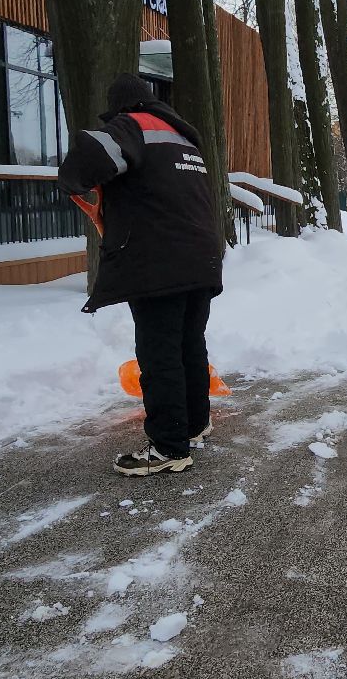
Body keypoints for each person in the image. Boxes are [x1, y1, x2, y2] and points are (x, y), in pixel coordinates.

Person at [60, 74, 224, 476]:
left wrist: (72, 180)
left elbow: (90, 153)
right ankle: (193, 426)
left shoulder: (133, 125)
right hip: (201, 256)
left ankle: (169, 446)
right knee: (189, 344)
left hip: (160, 260)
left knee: (159, 351)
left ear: (122, 108)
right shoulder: (183, 137)